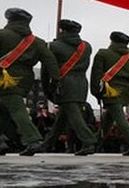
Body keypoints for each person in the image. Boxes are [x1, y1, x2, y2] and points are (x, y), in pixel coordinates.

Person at [0, 7, 59, 156]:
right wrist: (55, 80)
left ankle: (33, 140)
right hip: (26, 80)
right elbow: (50, 61)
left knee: (16, 108)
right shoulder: (37, 42)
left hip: (6, 79)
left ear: (9, 20)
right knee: (2, 112)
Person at [42, 19, 98, 155]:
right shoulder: (86, 46)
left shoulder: (52, 46)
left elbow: (46, 69)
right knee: (63, 117)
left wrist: (48, 88)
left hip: (64, 84)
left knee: (74, 116)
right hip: (81, 83)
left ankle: (89, 141)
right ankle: (47, 143)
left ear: (62, 30)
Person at [91, 31, 129, 154]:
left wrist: (95, 92)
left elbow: (96, 74)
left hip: (110, 89)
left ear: (112, 41)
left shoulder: (103, 54)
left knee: (118, 117)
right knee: (109, 117)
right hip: (126, 90)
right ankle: (95, 142)